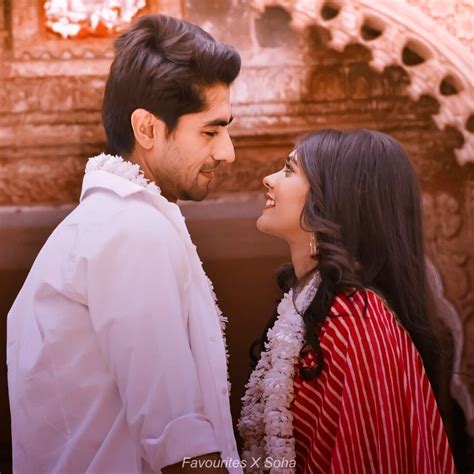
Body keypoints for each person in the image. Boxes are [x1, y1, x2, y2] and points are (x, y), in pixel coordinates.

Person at [7, 14, 243, 473]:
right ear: (148, 129)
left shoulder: (118, 222)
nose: (227, 151)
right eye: (211, 131)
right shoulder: (131, 230)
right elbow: (180, 442)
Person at [238, 129, 457, 473]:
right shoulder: (312, 309)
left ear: (332, 199)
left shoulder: (357, 323)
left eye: (289, 170)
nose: (268, 179)